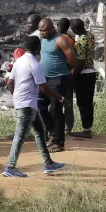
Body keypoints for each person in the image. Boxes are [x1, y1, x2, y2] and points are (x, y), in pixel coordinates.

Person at [3, 36, 67, 178]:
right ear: (38, 48)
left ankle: (48, 163)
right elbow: (43, 87)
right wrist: (60, 98)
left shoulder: (18, 61)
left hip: (26, 103)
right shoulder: (34, 64)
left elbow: (10, 83)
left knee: (40, 130)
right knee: (20, 135)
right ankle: (10, 167)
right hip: (27, 104)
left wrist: (16, 97)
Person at [38, 18, 76, 152]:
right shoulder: (43, 39)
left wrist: (63, 70)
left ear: (52, 28)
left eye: (44, 30)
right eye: (40, 30)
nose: (41, 33)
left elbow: (72, 59)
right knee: (40, 105)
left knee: (56, 109)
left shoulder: (60, 40)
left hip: (59, 79)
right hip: (45, 79)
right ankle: (53, 132)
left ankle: (59, 143)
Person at [70, 18, 97, 139]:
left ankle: (86, 130)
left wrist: (73, 75)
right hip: (91, 72)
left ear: (75, 30)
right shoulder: (90, 35)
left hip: (83, 74)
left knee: (82, 102)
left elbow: (80, 62)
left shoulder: (81, 41)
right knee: (88, 102)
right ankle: (88, 128)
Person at [57, 18, 76, 134]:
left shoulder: (55, 39)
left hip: (56, 74)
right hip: (68, 73)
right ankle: (68, 127)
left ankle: (56, 127)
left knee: (55, 101)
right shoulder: (71, 39)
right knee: (68, 101)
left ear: (57, 24)